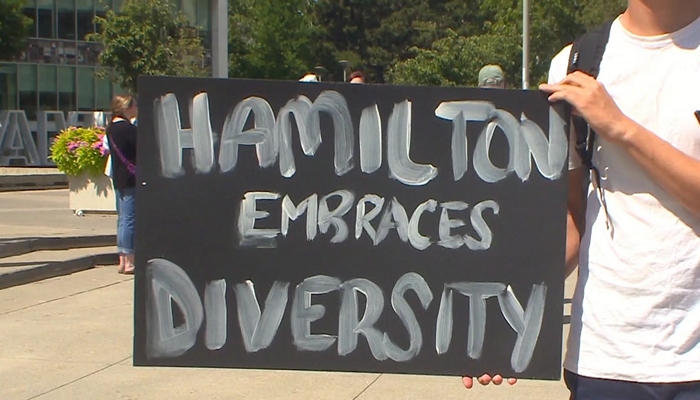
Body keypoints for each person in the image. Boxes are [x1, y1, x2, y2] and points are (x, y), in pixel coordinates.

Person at [464, 1, 700, 397]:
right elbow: (572, 219)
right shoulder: (576, 63)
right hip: (604, 356)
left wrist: (620, 127)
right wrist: (499, 323)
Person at [106, 94, 138, 275]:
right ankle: (129, 260)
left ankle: (122, 259)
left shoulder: (111, 127)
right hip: (130, 177)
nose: (137, 108)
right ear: (127, 107)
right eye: (134, 105)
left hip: (119, 176)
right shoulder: (126, 128)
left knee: (123, 218)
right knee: (130, 218)